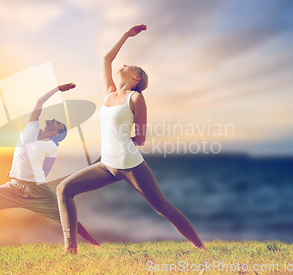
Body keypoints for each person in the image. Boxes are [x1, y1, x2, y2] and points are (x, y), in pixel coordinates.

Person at [57, 25, 205, 254]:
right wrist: (126, 35)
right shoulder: (109, 93)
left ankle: (200, 246)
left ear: (136, 78)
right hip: (106, 164)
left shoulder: (136, 98)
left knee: (162, 207)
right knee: (64, 188)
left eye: (130, 66)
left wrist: (124, 138)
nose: (123, 65)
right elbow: (107, 58)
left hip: (130, 164)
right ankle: (70, 249)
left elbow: (141, 137)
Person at [0, 83, 100, 249]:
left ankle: (94, 242)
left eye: (58, 124)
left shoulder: (51, 147)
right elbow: (39, 102)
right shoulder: (31, 127)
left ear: (55, 133)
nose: (54, 119)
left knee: (66, 215)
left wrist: (28, 171)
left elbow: (45, 171)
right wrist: (57, 89)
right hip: (14, 187)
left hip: (37, 189)